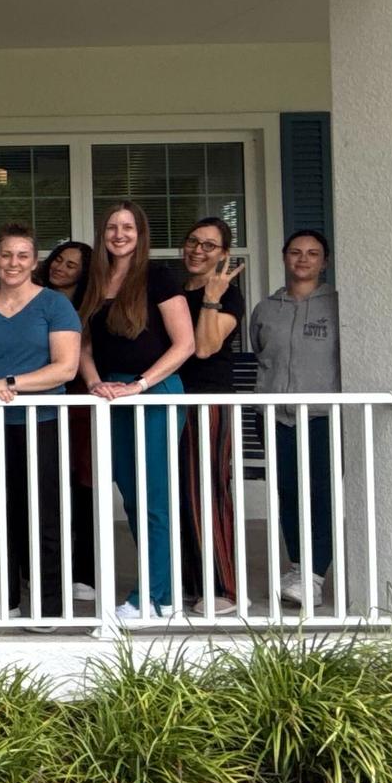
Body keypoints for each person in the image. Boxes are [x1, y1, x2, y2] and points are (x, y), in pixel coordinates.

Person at [0, 224, 82, 619]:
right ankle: (2, 596)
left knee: (44, 513)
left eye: (22, 255)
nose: (13, 262)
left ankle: (48, 602)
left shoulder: (54, 305)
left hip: (41, 421)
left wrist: (8, 384)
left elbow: (65, 368)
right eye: (6, 254)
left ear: (34, 262)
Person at [79, 201, 197, 622]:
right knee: (131, 497)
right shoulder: (94, 281)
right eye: (112, 227)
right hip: (111, 393)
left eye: (127, 227)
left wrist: (140, 385)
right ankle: (160, 594)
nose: (119, 234)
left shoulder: (158, 277)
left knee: (155, 498)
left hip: (153, 391)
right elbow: (83, 346)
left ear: (140, 233)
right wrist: (95, 382)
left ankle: (152, 595)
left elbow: (185, 344)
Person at [250, 228, 341, 610]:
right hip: (275, 416)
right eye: (296, 252)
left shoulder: (338, 306)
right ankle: (299, 567)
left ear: (325, 262)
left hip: (321, 417)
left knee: (320, 493)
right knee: (287, 491)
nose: (303, 259)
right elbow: (260, 352)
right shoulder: (266, 309)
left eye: (312, 253)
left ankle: (315, 576)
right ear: (285, 256)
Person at [177, 218, 246, 615]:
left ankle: (223, 588)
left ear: (223, 254)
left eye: (208, 245)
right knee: (178, 491)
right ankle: (192, 582)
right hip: (170, 398)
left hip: (208, 400)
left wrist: (212, 298)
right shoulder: (174, 290)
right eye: (193, 241)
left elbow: (204, 347)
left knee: (208, 489)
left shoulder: (227, 296)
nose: (198, 250)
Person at [43, 240, 99, 603]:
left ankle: (85, 571)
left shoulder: (90, 308)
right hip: (41, 401)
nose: (60, 267)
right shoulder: (34, 299)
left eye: (71, 265)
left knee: (83, 488)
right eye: (58, 260)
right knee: (47, 487)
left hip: (79, 403)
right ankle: (46, 570)